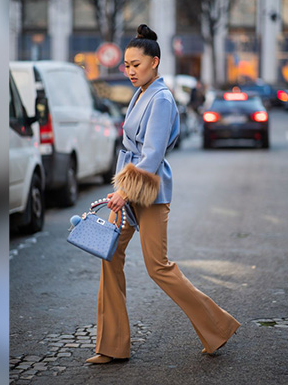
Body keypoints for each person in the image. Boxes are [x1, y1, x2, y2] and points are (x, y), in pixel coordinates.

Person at [86, 24, 241, 364]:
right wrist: (121, 187)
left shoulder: (162, 98)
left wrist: (124, 192)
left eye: (135, 65)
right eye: (126, 64)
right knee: (108, 256)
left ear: (154, 62)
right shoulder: (141, 93)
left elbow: (153, 154)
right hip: (127, 186)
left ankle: (218, 327)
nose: (129, 70)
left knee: (158, 267)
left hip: (147, 191)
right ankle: (111, 346)